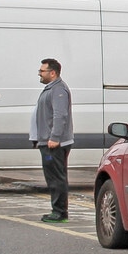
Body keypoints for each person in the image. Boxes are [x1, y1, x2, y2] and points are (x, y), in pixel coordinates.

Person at [32, 57, 74, 223]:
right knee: (52, 177)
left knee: (56, 177)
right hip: (46, 141)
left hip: (54, 143)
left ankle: (60, 212)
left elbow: (60, 114)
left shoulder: (58, 90)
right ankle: (57, 210)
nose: (39, 74)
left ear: (53, 73)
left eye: (42, 71)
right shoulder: (51, 89)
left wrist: (55, 137)